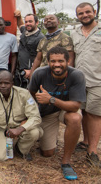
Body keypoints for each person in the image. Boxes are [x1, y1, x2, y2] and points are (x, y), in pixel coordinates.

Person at [28, 47, 86, 180]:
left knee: (75, 118)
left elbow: (76, 105)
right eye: (53, 61)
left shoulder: (77, 75)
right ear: (48, 62)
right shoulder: (39, 73)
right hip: (47, 113)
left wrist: (51, 100)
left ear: (68, 61)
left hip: (66, 109)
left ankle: (66, 162)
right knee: (47, 153)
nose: (57, 64)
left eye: (61, 61)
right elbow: (30, 94)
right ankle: (49, 137)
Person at [71, 2, 101, 167]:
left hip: (97, 80)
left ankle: (93, 151)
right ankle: (85, 141)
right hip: (80, 81)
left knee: (95, 113)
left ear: (94, 12)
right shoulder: (75, 33)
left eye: (87, 12)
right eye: (81, 13)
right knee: (83, 111)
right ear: (77, 16)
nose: (84, 15)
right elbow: (72, 56)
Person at [14, 11, 45, 87]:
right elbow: (20, 25)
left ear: (37, 23)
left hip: (30, 72)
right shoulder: (25, 31)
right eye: (26, 22)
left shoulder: (41, 38)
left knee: (29, 95)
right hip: (20, 70)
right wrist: (19, 16)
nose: (28, 24)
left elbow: (41, 57)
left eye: (30, 21)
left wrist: (32, 70)